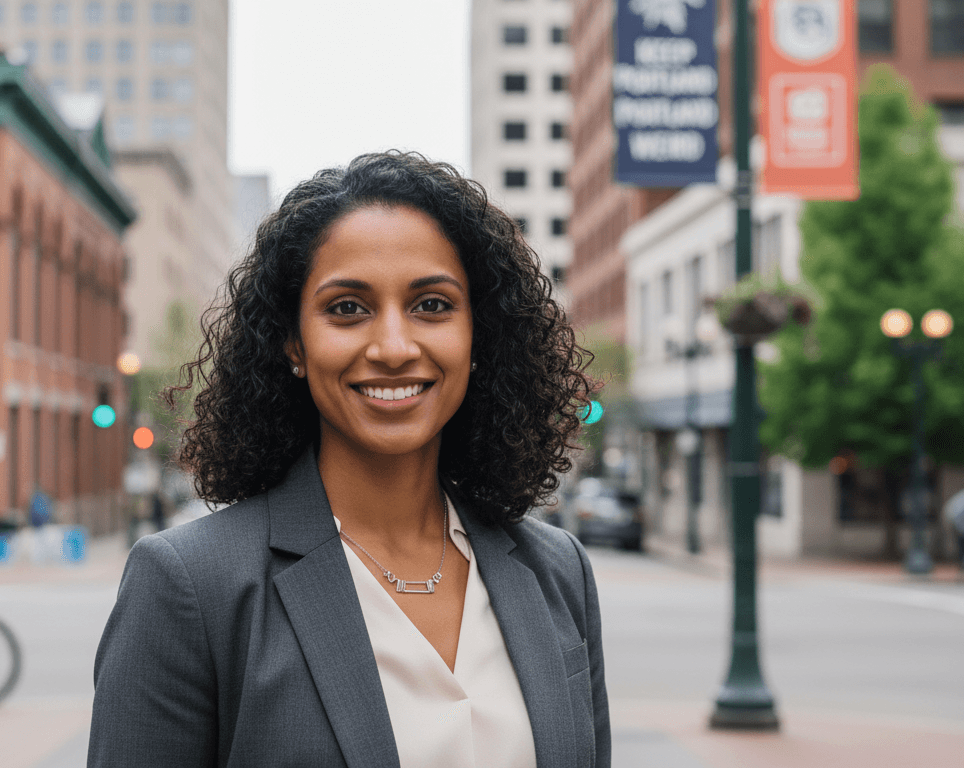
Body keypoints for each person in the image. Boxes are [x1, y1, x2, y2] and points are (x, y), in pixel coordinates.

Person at [90, 152, 608, 767]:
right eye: (347, 309)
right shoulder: (191, 586)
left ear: (479, 335)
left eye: (433, 305)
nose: (393, 346)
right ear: (294, 344)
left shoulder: (559, 571)